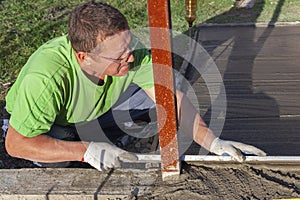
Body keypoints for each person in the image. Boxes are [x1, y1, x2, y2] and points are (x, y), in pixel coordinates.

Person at [4, 2, 266, 171]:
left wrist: (213, 141)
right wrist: (87, 151)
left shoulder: (130, 55)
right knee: (61, 161)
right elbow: (16, 144)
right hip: (52, 121)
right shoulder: (45, 79)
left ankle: (98, 134)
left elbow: (171, 99)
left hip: (97, 106)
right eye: (119, 55)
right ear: (84, 56)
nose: (130, 57)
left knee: (149, 102)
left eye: (129, 47)